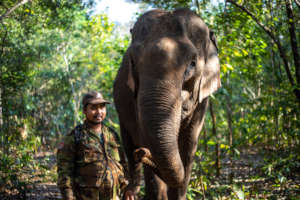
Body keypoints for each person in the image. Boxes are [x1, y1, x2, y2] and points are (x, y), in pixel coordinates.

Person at [57, 91, 134, 200]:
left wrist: (128, 188)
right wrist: (68, 196)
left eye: (102, 107)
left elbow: (122, 164)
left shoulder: (112, 134)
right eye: (93, 108)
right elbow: (65, 173)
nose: (99, 112)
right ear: (84, 110)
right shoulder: (75, 137)